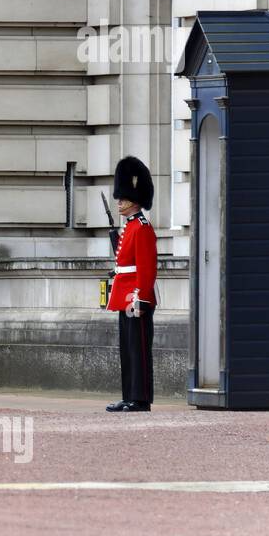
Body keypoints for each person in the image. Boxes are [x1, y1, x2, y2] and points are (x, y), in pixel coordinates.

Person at [105, 157, 157, 412]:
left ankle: (141, 399)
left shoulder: (143, 228)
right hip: (124, 296)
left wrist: (141, 298)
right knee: (127, 349)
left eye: (122, 197)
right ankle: (129, 396)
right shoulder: (129, 228)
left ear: (134, 198)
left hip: (136, 298)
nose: (119, 202)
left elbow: (146, 268)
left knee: (139, 350)